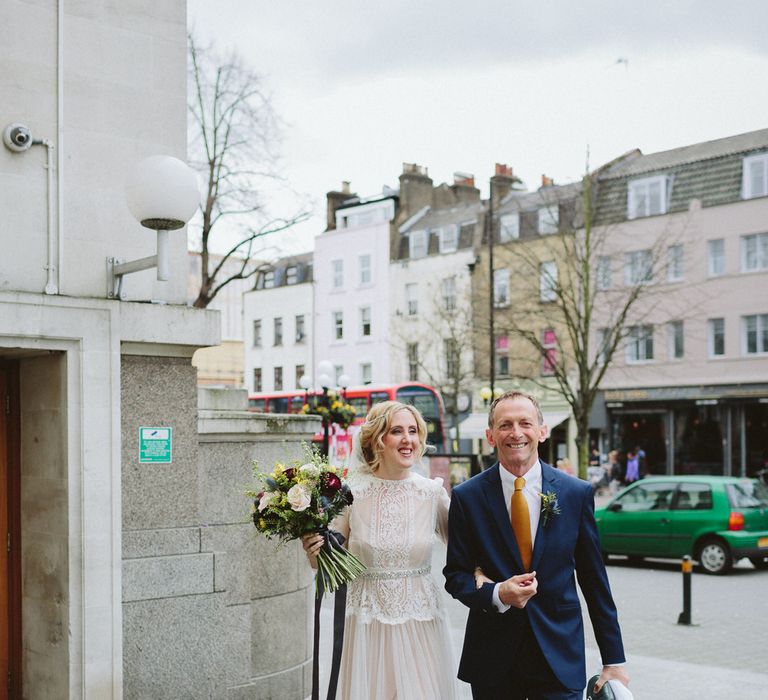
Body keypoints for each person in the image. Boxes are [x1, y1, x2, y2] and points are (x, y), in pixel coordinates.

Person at [444, 391, 629, 699]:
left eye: (525, 423)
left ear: (542, 432)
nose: (516, 433)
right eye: (505, 425)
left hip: (559, 656)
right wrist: (497, 593)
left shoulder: (575, 493)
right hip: (493, 659)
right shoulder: (467, 497)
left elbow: (594, 580)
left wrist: (613, 660)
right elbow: (456, 575)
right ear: (490, 435)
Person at [302, 401, 458, 700]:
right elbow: (326, 562)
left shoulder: (432, 493)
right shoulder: (351, 495)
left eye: (413, 431)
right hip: (366, 625)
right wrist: (312, 547)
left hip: (420, 622)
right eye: (396, 431)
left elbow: (467, 549)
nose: (408, 439)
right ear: (378, 441)